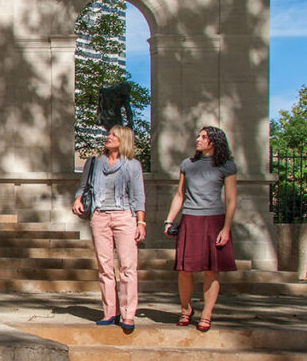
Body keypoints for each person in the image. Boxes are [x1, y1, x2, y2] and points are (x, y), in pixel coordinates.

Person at [163, 126, 238, 332]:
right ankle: (186, 309)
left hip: (214, 220)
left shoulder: (227, 166)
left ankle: (207, 314)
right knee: (185, 269)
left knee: (211, 271)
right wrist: (169, 221)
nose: (198, 139)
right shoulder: (188, 164)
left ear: (214, 141)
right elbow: (180, 194)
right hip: (190, 219)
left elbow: (231, 199)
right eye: (199, 135)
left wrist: (226, 228)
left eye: (203, 137)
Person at [72, 125, 147, 330]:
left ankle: (128, 314)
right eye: (109, 134)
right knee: (105, 267)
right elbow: (83, 186)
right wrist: (78, 199)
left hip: (125, 217)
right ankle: (109, 312)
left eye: (114, 135)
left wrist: (141, 222)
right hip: (99, 216)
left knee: (127, 267)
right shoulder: (94, 163)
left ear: (123, 140)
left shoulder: (132, 165)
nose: (108, 137)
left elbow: (139, 196)